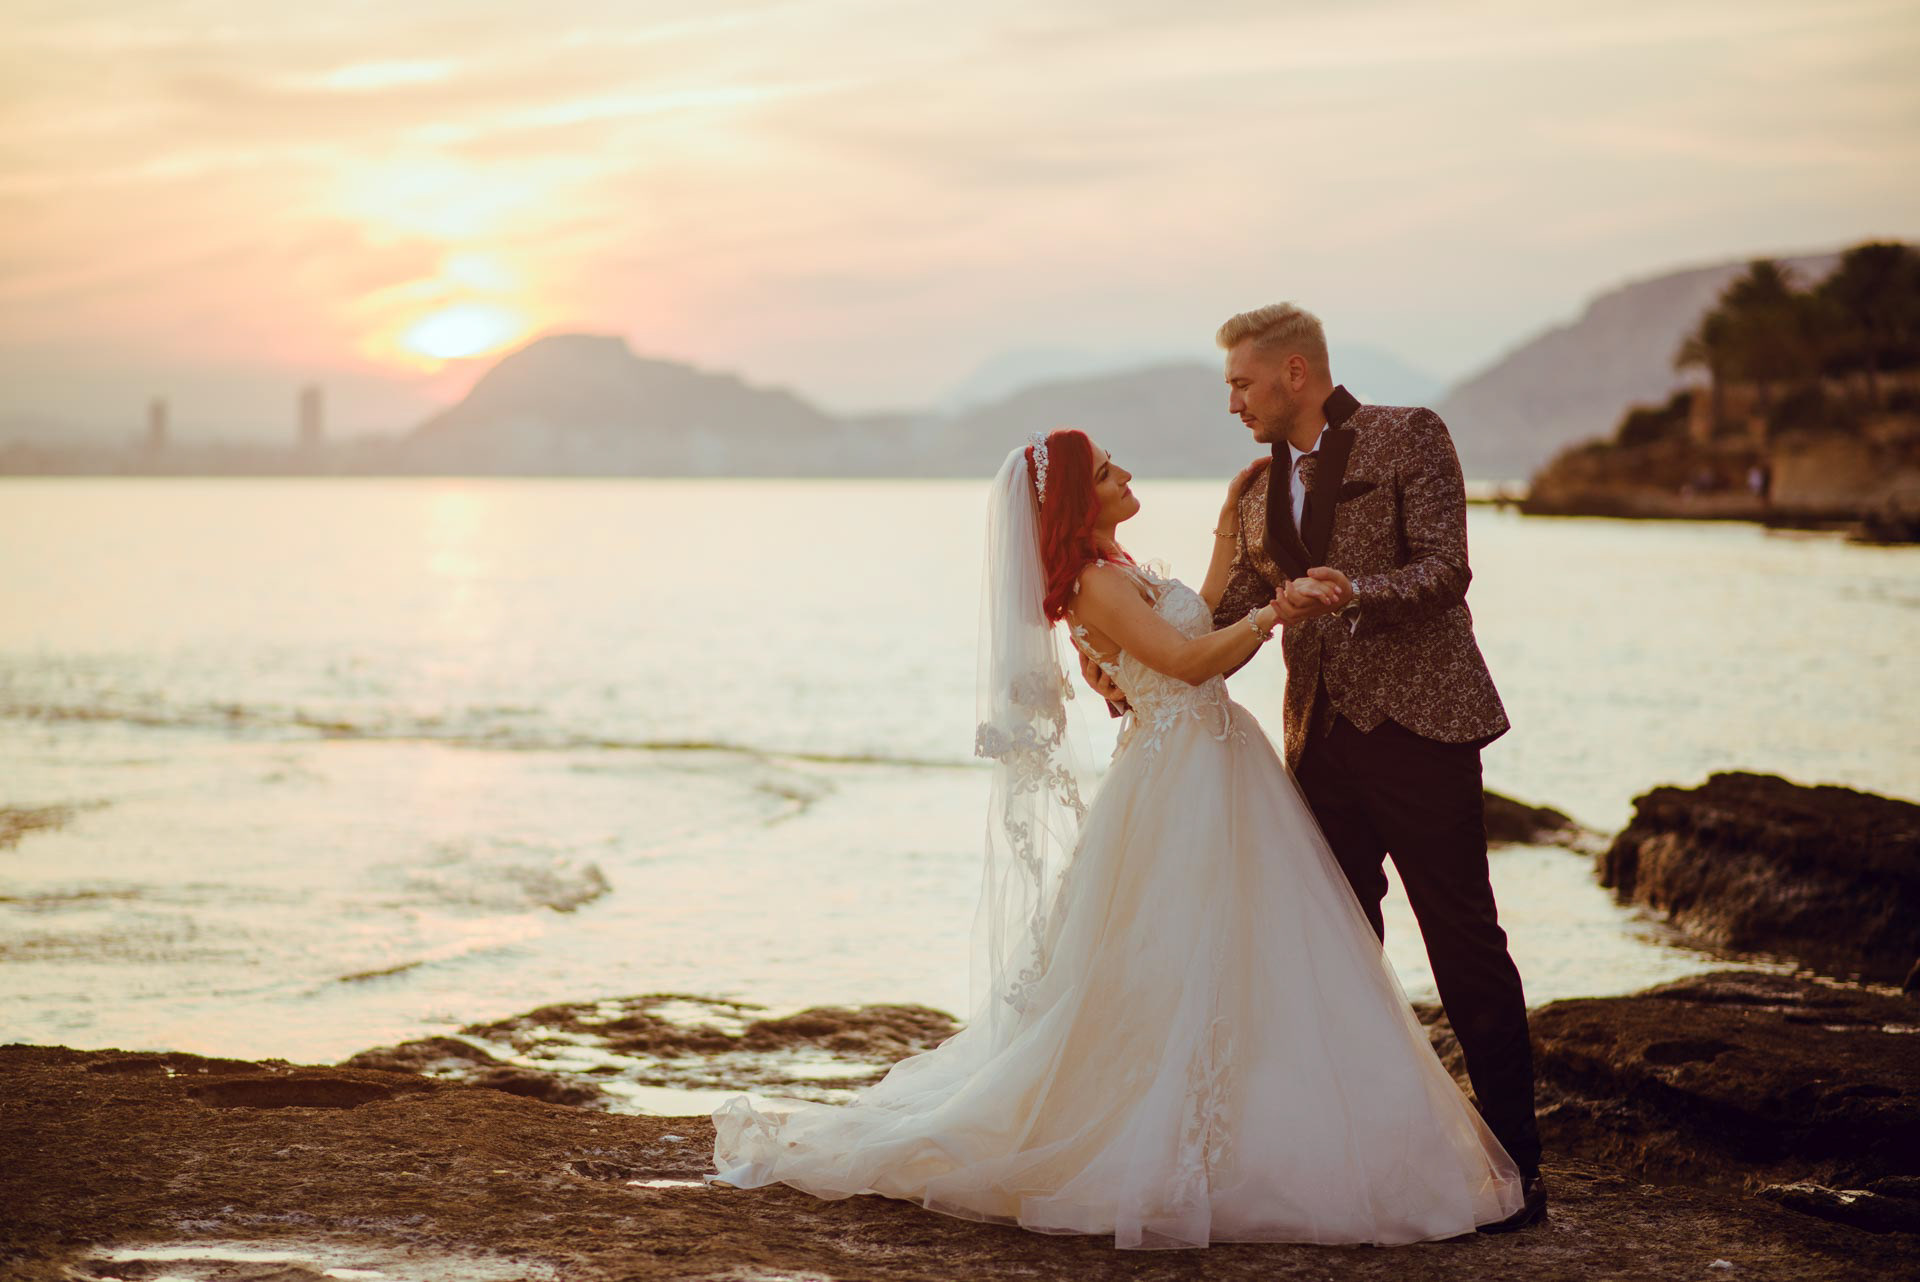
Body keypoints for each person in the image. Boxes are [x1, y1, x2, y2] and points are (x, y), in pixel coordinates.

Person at [705, 426, 1527, 1249]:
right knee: (1183, 958)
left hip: (1219, 764)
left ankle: (1274, 1119)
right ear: (1073, 499)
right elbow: (1188, 660)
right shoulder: (1092, 586)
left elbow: (1196, 613)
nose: (1124, 472)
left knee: (1253, 953)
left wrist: (1228, 519)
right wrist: (1277, 612)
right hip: (1181, 781)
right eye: (1105, 470)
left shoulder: (1121, 568)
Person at [1104, 301, 1546, 1230]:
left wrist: (1355, 592)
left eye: (1239, 383)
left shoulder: (1408, 436)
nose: (1232, 403)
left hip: (1422, 729)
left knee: (1465, 945)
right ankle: (1359, 1165)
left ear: (1293, 374)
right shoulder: (1258, 489)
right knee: (1334, 957)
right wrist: (1121, 654)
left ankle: (1520, 1172)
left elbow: (1446, 567)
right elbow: (1229, 616)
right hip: (1317, 748)